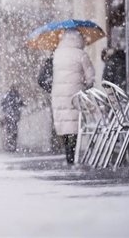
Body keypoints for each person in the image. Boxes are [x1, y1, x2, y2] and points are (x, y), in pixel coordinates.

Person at [51, 29, 94, 164]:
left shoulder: (57, 54)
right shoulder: (81, 54)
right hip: (75, 95)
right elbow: (90, 77)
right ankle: (72, 152)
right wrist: (87, 84)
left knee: (64, 124)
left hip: (58, 94)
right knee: (74, 125)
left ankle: (68, 151)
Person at [0, 87, 24, 152]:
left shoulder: (7, 95)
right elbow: (21, 103)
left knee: (9, 129)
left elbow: (2, 104)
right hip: (15, 115)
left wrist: (5, 111)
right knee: (14, 129)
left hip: (9, 115)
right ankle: (12, 143)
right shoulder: (17, 96)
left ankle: (9, 142)